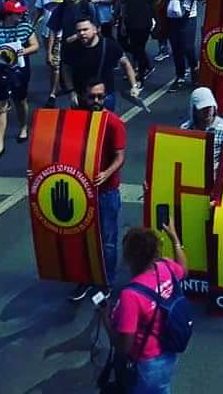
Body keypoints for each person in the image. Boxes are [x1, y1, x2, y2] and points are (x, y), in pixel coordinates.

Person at [107, 223, 188, 393]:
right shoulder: (166, 266)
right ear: (155, 254)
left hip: (147, 362)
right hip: (169, 353)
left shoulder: (131, 295)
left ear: (128, 257)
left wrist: (104, 317)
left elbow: (124, 347)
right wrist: (175, 239)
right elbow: (184, 271)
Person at [71, 77, 127, 302]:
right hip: (83, 190)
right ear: (85, 97)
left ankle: (107, 282)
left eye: (100, 97)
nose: (96, 100)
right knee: (82, 240)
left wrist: (107, 173)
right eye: (92, 96)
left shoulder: (113, 123)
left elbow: (120, 156)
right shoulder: (78, 121)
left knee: (107, 240)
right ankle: (85, 279)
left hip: (106, 193)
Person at [0, 0, 38, 159]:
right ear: (7, 15)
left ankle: (24, 127)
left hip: (19, 70)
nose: (21, 16)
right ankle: (0, 144)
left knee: (20, 100)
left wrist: (23, 52)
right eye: (17, 14)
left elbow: (35, 45)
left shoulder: (25, 27)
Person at [62, 15, 140, 114]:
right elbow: (66, 69)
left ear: (95, 29)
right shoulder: (72, 48)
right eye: (79, 31)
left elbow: (126, 64)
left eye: (85, 29)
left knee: (104, 125)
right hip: (81, 95)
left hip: (104, 96)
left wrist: (134, 86)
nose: (82, 33)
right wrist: (71, 91)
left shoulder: (110, 46)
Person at [159, 0, 203, 89]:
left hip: (188, 16)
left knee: (188, 47)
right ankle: (180, 76)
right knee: (176, 47)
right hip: (172, 16)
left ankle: (195, 71)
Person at [180, 85, 223, 174]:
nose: (208, 111)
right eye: (203, 108)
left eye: (210, 106)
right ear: (194, 110)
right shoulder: (185, 129)